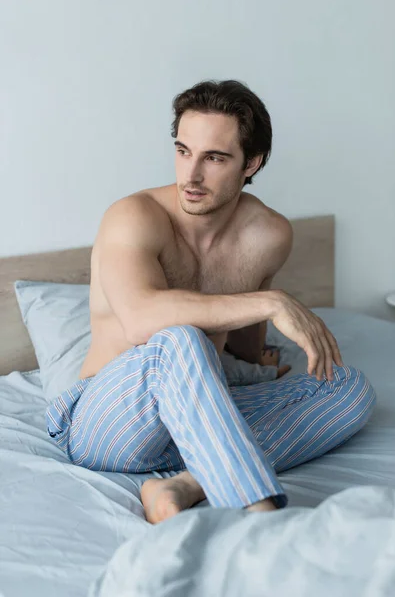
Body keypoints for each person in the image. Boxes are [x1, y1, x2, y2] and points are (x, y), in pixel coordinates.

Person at [46, 80, 376, 523]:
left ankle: (184, 483)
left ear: (251, 163)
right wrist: (272, 302)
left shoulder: (269, 235)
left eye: (214, 158)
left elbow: (240, 345)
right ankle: (261, 519)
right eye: (183, 151)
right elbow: (142, 319)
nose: (191, 175)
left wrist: (262, 360)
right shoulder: (134, 217)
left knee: (348, 387)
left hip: (199, 409)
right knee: (180, 338)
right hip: (110, 425)